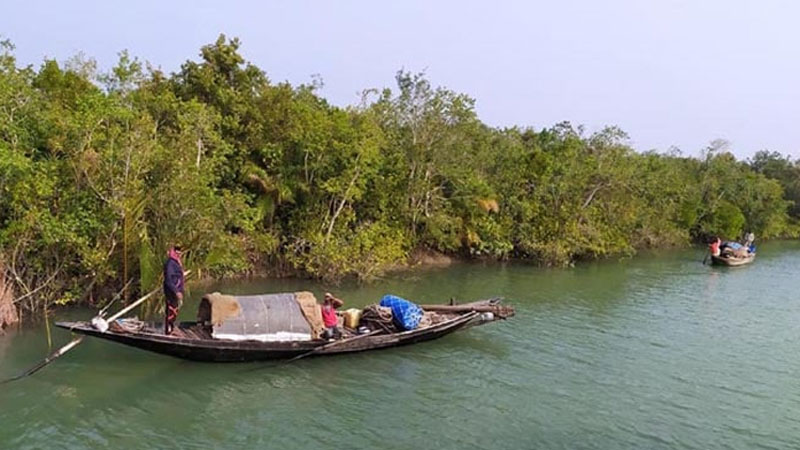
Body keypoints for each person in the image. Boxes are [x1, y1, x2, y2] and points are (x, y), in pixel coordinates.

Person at [163, 245, 185, 335]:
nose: (179, 254)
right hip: (171, 291)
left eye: (180, 253)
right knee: (171, 309)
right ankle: (169, 331)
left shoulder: (176, 262)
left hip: (175, 290)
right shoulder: (170, 263)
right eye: (177, 252)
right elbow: (169, 279)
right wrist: (176, 291)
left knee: (174, 309)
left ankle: (171, 328)